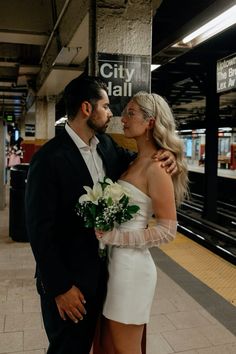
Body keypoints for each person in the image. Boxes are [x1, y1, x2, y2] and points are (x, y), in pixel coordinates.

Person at [25, 75, 177, 354]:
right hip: (69, 286)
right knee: (67, 349)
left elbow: (142, 169)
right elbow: (38, 230)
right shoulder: (48, 159)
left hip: (104, 278)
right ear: (87, 108)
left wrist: (169, 155)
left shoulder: (107, 147)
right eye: (106, 107)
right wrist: (60, 287)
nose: (112, 114)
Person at [95, 91, 189, 354]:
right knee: (114, 346)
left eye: (131, 113)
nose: (123, 118)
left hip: (132, 271)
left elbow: (168, 230)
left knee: (127, 349)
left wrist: (116, 237)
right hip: (116, 264)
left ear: (150, 121)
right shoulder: (135, 160)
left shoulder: (157, 167)